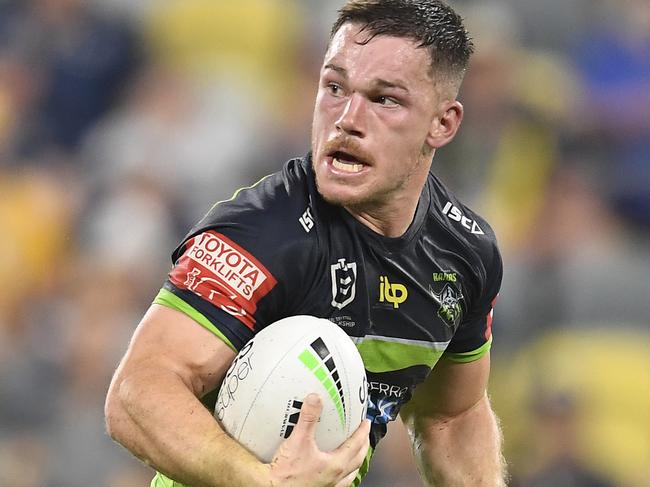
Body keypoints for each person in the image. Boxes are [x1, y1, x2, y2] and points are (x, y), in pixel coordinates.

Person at [105, 1, 506, 486]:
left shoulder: (465, 254)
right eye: (335, 88)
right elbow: (136, 393)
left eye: (385, 100)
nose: (348, 119)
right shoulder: (260, 234)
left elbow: (451, 417)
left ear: (443, 123)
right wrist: (264, 483)